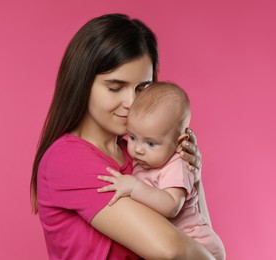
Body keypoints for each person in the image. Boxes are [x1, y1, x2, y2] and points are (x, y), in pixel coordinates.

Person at [30, 13, 215, 259]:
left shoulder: (141, 154)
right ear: (82, 83)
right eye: (115, 88)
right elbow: (175, 251)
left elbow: (199, 233)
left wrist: (193, 175)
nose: (131, 103)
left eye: (142, 89)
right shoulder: (68, 160)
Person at [97, 81, 226, 260]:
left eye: (150, 143)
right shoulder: (144, 160)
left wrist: (134, 187)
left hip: (200, 245)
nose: (138, 149)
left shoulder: (177, 164)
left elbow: (171, 206)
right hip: (176, 243)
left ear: (179, 142)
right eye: (133, 137)